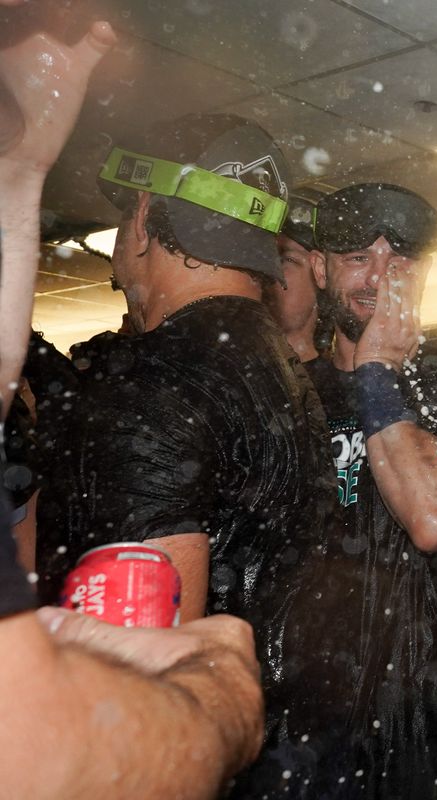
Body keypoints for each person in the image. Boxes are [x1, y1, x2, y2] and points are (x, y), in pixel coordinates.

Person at [0, 10, 265, 795]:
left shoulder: (148, 388)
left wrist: (21, 171)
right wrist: (218, 696)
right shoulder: (268, 364)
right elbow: (60, 754)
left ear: (144, 224)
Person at [33, 110, 335, 770]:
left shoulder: (150, 383)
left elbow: (141, 696)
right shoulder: (286, 370)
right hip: (280, 752)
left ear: (144, 217)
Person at [276, 182, 437, 798]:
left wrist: (377, 368)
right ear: (322, 268)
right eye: (359, 257)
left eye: (400, 262)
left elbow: (434, 517)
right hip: (308, 723)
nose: (379, 277)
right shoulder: (287, 400)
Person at [266, 189, 329, 362]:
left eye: (286, 259)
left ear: (321, 275)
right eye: (264, 255)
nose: (267, 269)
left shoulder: (332, 386)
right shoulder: (222, 369)